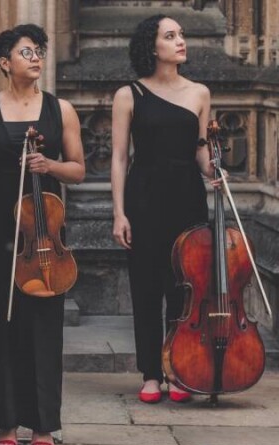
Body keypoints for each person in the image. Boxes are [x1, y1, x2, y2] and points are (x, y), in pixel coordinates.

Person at [0, 24, 85, 445]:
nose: (35, 57)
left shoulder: (60, 110)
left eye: (39, 51)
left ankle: (44, 424)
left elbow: (79, 170)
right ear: (4, 62)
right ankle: (6, 423)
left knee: (44, 326)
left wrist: (48, 165)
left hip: (45, 229)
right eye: (26, 51)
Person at [111, 14, 221, 404]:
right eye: (170, 35)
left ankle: (179, 368)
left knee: (185, 287)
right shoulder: (129, 95)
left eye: (181, 34)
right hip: (144, 195)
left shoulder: (199, 93)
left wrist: (215, 171)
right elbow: (120, 157)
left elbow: (201, 150)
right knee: (145, 285)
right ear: (151, 46)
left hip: (186, 195)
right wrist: (119, 213)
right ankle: (151, 374)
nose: (180, 41)